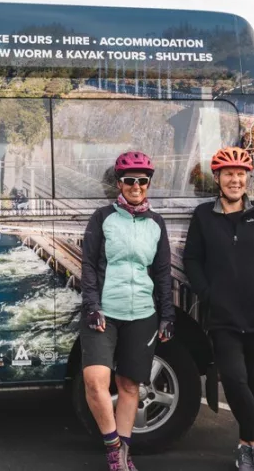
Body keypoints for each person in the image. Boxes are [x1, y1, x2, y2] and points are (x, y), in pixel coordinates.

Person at [182, 147, 254, 471]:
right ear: (217, 178)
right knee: (232, 378)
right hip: (224, 314)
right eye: (228, 173)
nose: (234, 179)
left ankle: (246, 447)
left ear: (248, 178)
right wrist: (207, 292)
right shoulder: (204, 215)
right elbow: (192, 259)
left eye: (240, 173)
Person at [80, 151, 176, 471]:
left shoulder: (156, 223)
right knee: (95, 381)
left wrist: (167, 315)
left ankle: (121, 458)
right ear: (119, 183)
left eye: (142, 181)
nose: (136, 186)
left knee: (129, 386)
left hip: (143, 314)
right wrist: (92, 306)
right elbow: (89, 266)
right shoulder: (102, 217)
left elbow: (162, 272)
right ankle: (113, 448)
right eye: (129, 181)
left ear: (149, 184)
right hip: (105, 312)